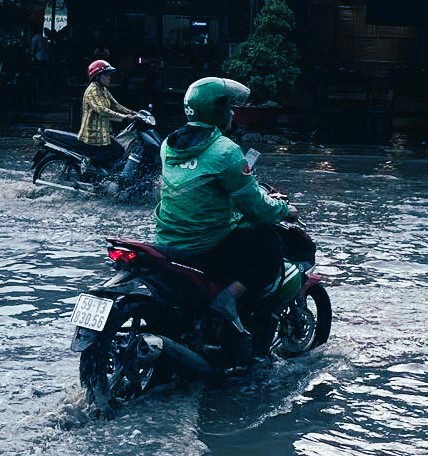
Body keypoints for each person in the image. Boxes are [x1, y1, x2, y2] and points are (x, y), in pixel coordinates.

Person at [154, 77, 296, 349]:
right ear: (217, 111)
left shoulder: (168, 145)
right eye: (229, 107)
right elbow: (258, 207)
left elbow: (201, 193)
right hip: (206, 245)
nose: (233, 113)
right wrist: (285, 209)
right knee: (270, 248)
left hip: (167, 242)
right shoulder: (226, 151)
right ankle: (228, 300)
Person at [79, 59, 136, 169]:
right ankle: (88, 167)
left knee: (119, 151)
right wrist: (124, 117)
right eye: (107, 75)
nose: (109, 77)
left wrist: (133, 113)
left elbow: (116, 105)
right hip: (93, 136)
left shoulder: (103, 89)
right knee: (114, 153)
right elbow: (102, 110)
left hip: (103, 134)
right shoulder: (93, 90)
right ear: (98, 76)